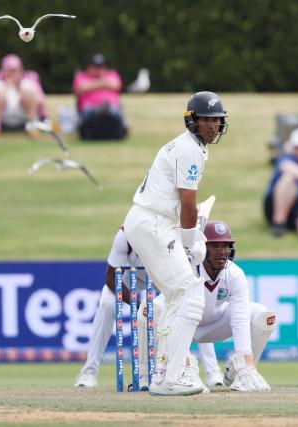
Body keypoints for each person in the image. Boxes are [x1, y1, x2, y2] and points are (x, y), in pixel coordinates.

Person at [123, 91, 228, 396]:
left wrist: (187, 240)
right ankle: (169, 377)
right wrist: (189, 242)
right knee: (189, 292)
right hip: (154, 223)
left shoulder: (191, 147)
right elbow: (188, 204)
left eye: (216, 120)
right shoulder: (189, 149)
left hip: (149, 221)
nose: (211, 126)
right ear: (192, 121)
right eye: (205, 120)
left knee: (175, 298)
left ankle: (167, 369)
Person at [74, 227, 224, 389]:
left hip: (162, 279)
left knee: (191, 303)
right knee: (106, 304)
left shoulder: (170, 232)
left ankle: (212, 371)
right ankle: (89, 371)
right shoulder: (125, 236)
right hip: (129, 278)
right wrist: (139, 306)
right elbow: (111, 278)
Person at [138, 220, 276, 392]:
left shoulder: (235, 274)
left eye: (225, 246)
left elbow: (240, 318)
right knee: (148, 309)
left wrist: (245, 359)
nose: (222, 252)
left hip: (216, 324)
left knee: (263, 316)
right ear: (202, 248)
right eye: (215, 246)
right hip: (181, 327)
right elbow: (169, 307)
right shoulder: (186, 268)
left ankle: (239, 371)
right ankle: (155, 373)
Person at [72, 53, 127, 139]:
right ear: (89, 66)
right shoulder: (81, 76)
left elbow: (116, 85)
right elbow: (80, 89)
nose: (98, 69)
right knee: (90, 111)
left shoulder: (112, 74)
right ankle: (101, 111)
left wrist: (92, 85)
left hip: (111, 108)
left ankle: (104, 112)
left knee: (112, 111)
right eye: (95, 66)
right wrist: (103, 83)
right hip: (89, 110)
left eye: (101, 66)